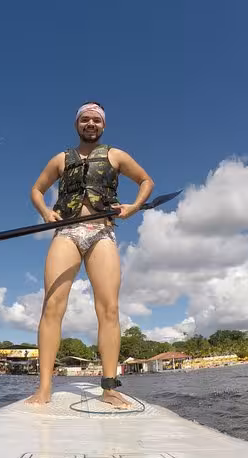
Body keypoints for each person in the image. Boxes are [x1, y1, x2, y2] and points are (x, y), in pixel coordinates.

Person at [26, 101, 154, 408]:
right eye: (85, 119)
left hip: (102, 232)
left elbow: (146, 181)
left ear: (104, 126)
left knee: (109, 309)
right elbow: (36, 190)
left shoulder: (116, 155)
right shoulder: (60, 159)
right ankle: (44, 388)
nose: (91, 124)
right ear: (77, 125)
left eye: (96, 120)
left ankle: (109, 387)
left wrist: (133, 207)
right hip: (67, 233)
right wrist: (45, 212)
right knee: (52, 305)